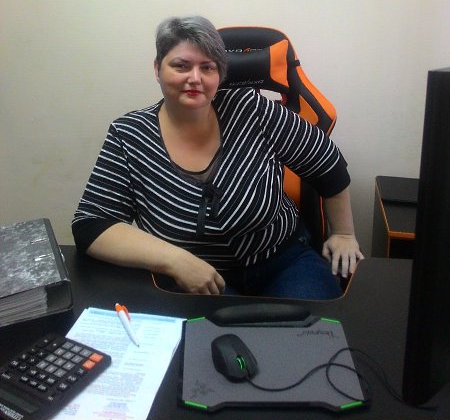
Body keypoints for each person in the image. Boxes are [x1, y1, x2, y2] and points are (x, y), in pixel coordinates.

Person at [72, 16, 363, 299]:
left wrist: (344, 234)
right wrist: (174, 260)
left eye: (207, 68)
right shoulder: (129, 134)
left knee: (315, 330)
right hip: (189, 278)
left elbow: (328, 163)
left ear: (220, 75)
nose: (195, 78)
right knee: (204, 334)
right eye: (181, 65)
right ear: (158, 69)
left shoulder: (251, 109)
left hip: (283, 261)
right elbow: (92, 224)